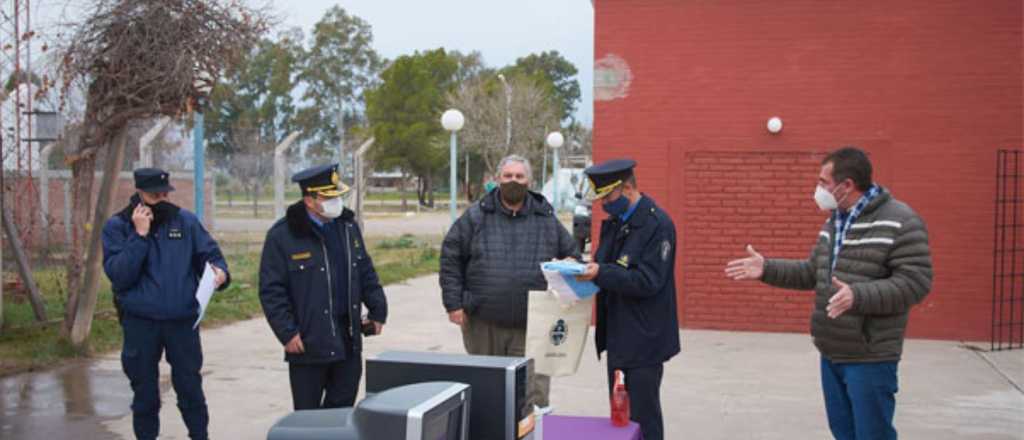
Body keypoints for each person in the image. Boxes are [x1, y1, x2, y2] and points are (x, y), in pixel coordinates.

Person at [725, 146, 933, 440]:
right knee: (844, 433)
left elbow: (916, 282)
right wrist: (767, 269)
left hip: (870, 355)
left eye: (823, 182)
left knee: (872, 434)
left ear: (846, 185)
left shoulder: (900, 221)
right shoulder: (835, 221)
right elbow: (813, 273)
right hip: (832, 350)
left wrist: (858, 295)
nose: (818, 188)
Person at [440, 154, 578, 413]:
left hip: (532, 325)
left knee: (531, 396)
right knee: (486, 392)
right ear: (497, 180)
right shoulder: (476, 216)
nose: (513, 181)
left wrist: (570, 264)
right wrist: (453, 303)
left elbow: (572, 256)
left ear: (530, 181)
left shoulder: (545, 218)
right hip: (483, 322)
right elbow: (450, 258)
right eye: (508, 176)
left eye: (519, 176)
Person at [102, 167, 230, 440]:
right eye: (153, 195)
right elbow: (120, 275)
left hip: (181, 322)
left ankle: (200, 435)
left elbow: (210, 255)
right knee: (145, 394)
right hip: (141, 323)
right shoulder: (118, 226)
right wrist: (140, 236)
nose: (161, 199)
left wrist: (220, 272)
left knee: (190, 388)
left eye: (164, 193)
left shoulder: (185, 222)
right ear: (138, 193)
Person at [258, 163, 388, 410]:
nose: (336, 201)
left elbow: (364, 270)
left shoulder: (347, 227)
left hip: (348, 341)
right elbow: (271, 290)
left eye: (337, 195)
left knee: (341, 414)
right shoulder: (283, 236)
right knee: (307, 419)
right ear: (309, 200)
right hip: (308, 343)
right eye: (328, 197)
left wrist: (378, 310)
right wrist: (286, 332)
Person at [575, 159, 680, 440]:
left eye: (607, 197)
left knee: (643, 418)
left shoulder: (658, 225)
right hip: (618, 338)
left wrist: (601, 272)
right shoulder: (614, 224)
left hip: (645, 340)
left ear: (628, 188)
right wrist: (577, 268)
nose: (603, 204)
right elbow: (603, 265)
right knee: (620, 415)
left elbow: (648, 281)